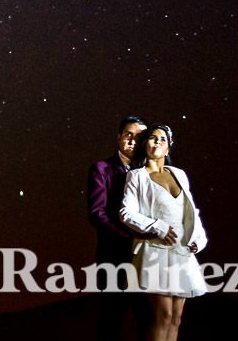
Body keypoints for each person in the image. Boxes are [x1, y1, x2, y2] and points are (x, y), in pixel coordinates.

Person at [120, 124, 207, 341]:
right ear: (145, 144)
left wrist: (199, 238)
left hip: (181, 251)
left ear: (168, 148)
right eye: (153, 138)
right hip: (155, 251)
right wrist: (157, 226)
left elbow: (191, 211)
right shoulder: (137, 176)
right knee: (164, 315)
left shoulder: (179, 174)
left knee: (176, 318)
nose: (157, 141)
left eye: (162, 139)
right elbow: (126, 212)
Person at [88, 115, 150, 341]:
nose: (133, 141)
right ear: (119, 138)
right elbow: (97, 213)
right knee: (111, 319)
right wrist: (128, 237)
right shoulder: (101, 169)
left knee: (148, 319)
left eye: (139, 137)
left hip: (147, 258)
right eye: (128, 135)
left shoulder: (152, 172)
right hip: (113, 255)